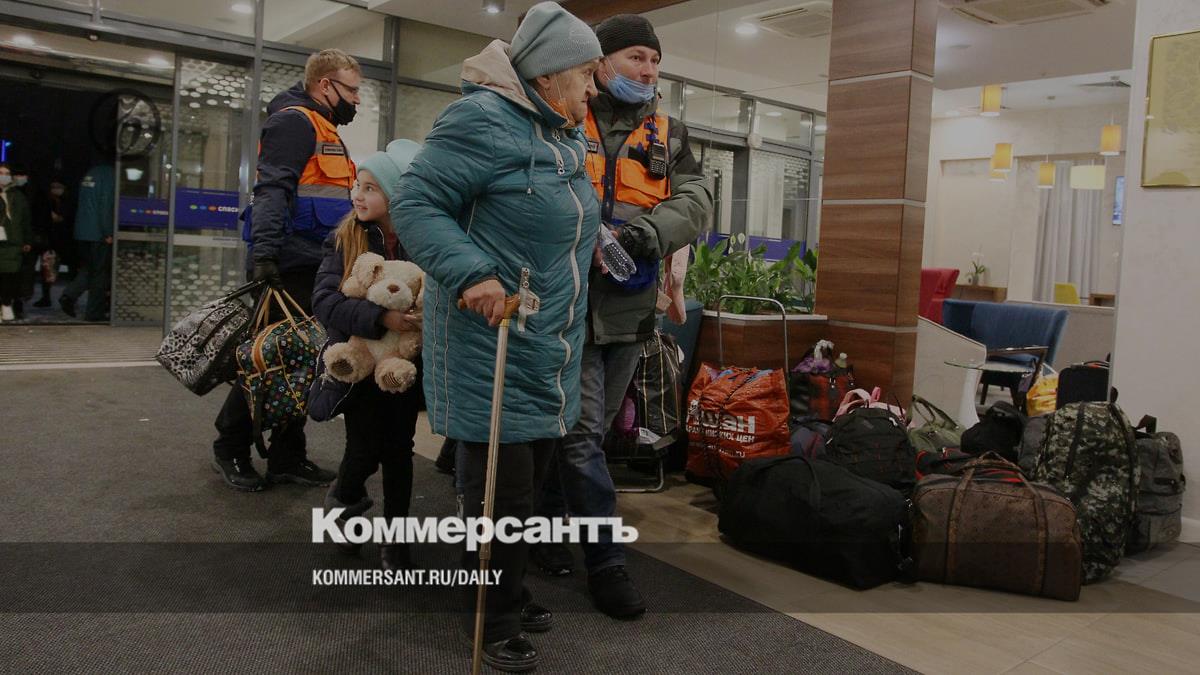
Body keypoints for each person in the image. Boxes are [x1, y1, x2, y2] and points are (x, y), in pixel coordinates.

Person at [391, 3, 601, 671]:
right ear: (550, 76)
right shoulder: (480, 120)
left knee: (527, 486)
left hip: (548, 341)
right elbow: (415, 203)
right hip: (492, 338)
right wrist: (472, 272)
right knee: (499, 493)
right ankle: (493, 616)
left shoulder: (562, 136)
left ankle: (504, 587)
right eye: (588, 74)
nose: (595, 89)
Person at [530, 14, 713, 619]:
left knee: (584, 434)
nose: (649, 70)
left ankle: (546, 528)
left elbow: (696, 199)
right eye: (637, 57)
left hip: (631, 311)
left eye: (655, 61)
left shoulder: (669, 132)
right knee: (583, 436)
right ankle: (606, 563)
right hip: (566, 304)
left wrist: (644, 235)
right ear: (601, 62)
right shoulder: (563, 113)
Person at [210, 48, 362, 492]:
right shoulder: (294, 123)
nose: (357, 100)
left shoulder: (322, 126)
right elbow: (271, 190)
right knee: (271, 359)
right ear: (324, 85)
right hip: (288, 263)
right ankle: (230, 446)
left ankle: (287, 455)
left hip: (315, 263)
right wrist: (265, 255)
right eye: (352, 90)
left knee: (302, 361)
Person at [310, 140, 423, 571]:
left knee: (399, 450)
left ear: (395, 196)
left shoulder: (419, 241)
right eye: (357, 185)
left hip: (402, 366)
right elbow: (325, 301)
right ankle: (345, 501)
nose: (357, 194)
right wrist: (380, 318)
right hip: (357, 365)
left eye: (370, 188)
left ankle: (397, 539)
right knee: (362, 450)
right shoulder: (345, 238)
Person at [59, 162, 114, 322]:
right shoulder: (109, 175)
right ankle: (94, 313)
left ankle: (69, 295)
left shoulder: (91, 173)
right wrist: (108, 232)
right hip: (98, 234)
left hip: (82, 231)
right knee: (99, 274)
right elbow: (105, 205)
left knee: (90, 269)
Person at [34, 177, 73, 308]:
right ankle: (46, 297)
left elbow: (68, 219)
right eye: (53, 187)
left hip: (65, 241)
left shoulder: (68, 202)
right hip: (51, 241)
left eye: (58, 186)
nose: (56, 189)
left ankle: (70, 297)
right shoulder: (47, 202)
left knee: (71, 270)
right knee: (47, 270)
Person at [0, 164, 33, 322]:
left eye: (7, 173)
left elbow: (25, 220)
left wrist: (27, 240)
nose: (4, 176)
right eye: (1, 173)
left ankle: (6, 304)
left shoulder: (18, 197)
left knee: (10, 276)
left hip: (13, 242)